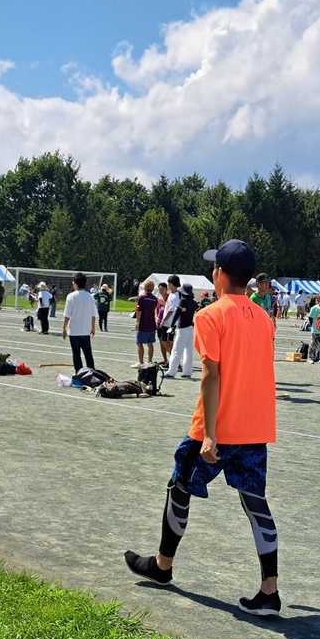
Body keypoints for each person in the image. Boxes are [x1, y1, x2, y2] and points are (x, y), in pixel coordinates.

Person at [123, 238, 281, 616]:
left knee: (179, 486)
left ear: (220, 273)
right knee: (255, 502)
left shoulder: (211, 315)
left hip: (217, 427)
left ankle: (162, 565)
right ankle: (269, 591)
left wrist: (210, 434)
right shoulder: (264, 319)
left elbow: (211, 375)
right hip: (255, 427)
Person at [62, 271, 98, 372]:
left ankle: (79, 373)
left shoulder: (70, 296)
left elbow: (67, 315)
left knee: (76, 354)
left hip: (74, 331)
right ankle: (92, 372)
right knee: (88, 354)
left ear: (75, 283)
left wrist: (64, 328)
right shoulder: (90, 296)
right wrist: (93, 328)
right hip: (85, 331)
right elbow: (93, 314)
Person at [166, 283, 199, 379]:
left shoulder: (183, 301)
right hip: (191, 328)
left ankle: (171, 371)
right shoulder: (194, 302)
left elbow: (177, 314)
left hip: (182, 329)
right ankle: (187, 371)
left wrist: (172, 325)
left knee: (176, 350)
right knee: (188, 351)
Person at [133, 281, 159, 364]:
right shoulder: (155, 299)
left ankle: (141, 362)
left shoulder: (142, 298)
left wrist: (137, 322)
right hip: (152, 323)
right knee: (150, 343)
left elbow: (139, 311)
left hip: (143, 324)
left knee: (139, 343)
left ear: (145, 287)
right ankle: (149, 361)